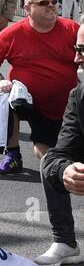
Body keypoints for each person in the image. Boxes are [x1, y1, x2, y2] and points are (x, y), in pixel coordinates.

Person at [0, 0, 82, 265]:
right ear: (27, 9)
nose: (52, 6)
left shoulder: (73, 30)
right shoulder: (14, 34)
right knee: (52, 166)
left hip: (76, 110)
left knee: (64, 168)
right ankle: (65, 241)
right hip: (41, 113)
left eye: (54, 2)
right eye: (43, 2)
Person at [40, 24, 84, 215]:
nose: (76, 58)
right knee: (47, 161)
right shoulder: (79, 96)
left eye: (82, 50)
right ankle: (65, 241)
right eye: (76, 50)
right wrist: (65, 171)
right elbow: (58, 155)